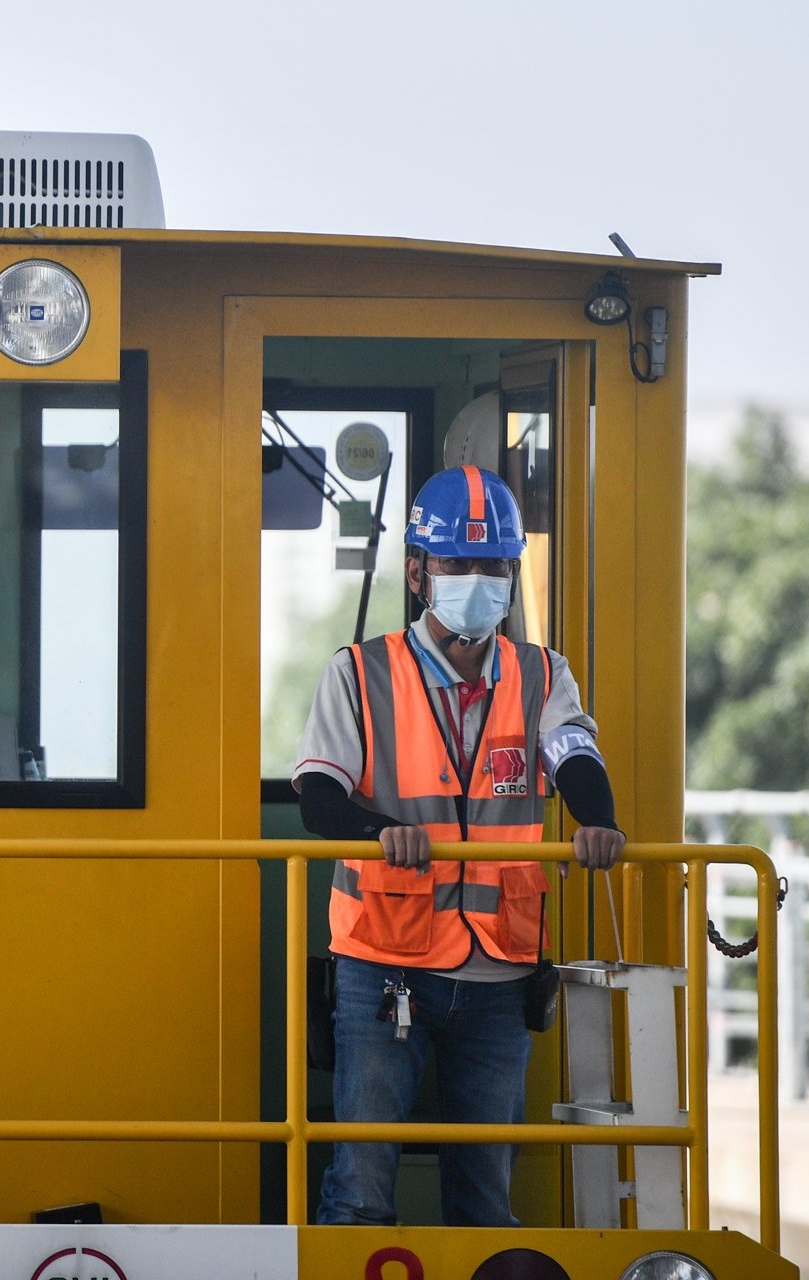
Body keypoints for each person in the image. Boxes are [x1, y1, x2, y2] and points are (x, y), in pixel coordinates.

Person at [292, 464, 625, 1227]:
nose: (478, 579)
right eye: (457, 563)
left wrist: (598, 821)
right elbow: (317, 794)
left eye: (494, 566)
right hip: (383, 962)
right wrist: (380, 833)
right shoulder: (358, 673)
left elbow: (574, 754)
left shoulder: (542, 675)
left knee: (484, 1198)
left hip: (498, 973)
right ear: (417, 573)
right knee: (360, 1188)